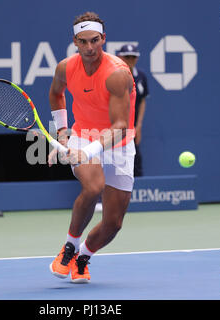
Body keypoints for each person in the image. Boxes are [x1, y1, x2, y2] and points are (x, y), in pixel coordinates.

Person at [47, 12, 136, 283]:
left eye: (94, 41)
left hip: (118, 142)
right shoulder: (65, 67)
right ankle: (70, 245)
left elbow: (120, 125)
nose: (89, 48)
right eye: (83, 41)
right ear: (75, 41)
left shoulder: (117, 74)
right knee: (94, 186)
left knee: (113, 224)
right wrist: (62, 131)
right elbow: (55, 94)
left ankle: (83, 256)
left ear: (103, 39)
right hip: (83, 135)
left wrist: (86, 153)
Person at [117, 44, 149, 177]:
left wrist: (139, 125)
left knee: (135, 159)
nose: (130, 59)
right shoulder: (113, 75)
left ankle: (137, 192)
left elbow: (142, 101)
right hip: (114, 127)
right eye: (127, 57)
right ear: (120, 57)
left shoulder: (141, 76)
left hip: (132, 127)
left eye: (133, 57)